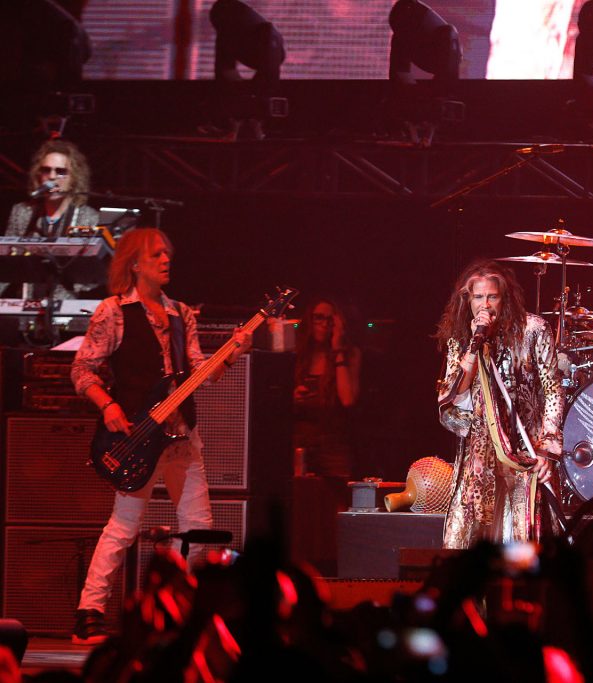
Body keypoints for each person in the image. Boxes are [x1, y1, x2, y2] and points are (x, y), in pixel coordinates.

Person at [70, 227, 251, 645]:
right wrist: (108, 406)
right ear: (135, 264)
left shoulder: (181, 313)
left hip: (181, 435)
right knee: (123, 526)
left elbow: (200, 373)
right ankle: (89, 613)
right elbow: (82, 369)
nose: (166, 260)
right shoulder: (114, 311)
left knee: (198, 526)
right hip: (139, 434)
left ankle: (184, 610)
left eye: (167, 253)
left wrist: (234, 351)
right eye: (156, 255)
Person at [435, 260, 564, 549]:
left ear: (504, 298)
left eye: (492, 296)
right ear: (467, 300)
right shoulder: (462, 337)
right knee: (470, 536)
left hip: (525, 447)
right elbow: (453, 393)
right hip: (481, 453)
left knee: (524, 533)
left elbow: (553, 389)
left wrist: (547, 448)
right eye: (478, 297)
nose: (485, 305)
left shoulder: (533, 329)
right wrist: (473, 345)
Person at [3, 138, 100, 300]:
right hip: (27, 303)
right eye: (46, 170)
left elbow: (92, 276)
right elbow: (6, 264)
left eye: (60, 171)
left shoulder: (88, 217)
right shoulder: (22, 212)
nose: (52, 177)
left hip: (67, 306)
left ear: (74, 178)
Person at [292, 297, 361, 479]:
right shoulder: (297, 354)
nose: (324, 324)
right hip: (300, 440)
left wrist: (337, 349)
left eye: (330, 320)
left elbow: (347, 399)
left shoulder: (350, 354)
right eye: (319, 318)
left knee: (334, 493)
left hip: (333, 444)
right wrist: (293, 397)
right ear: (309, 320)